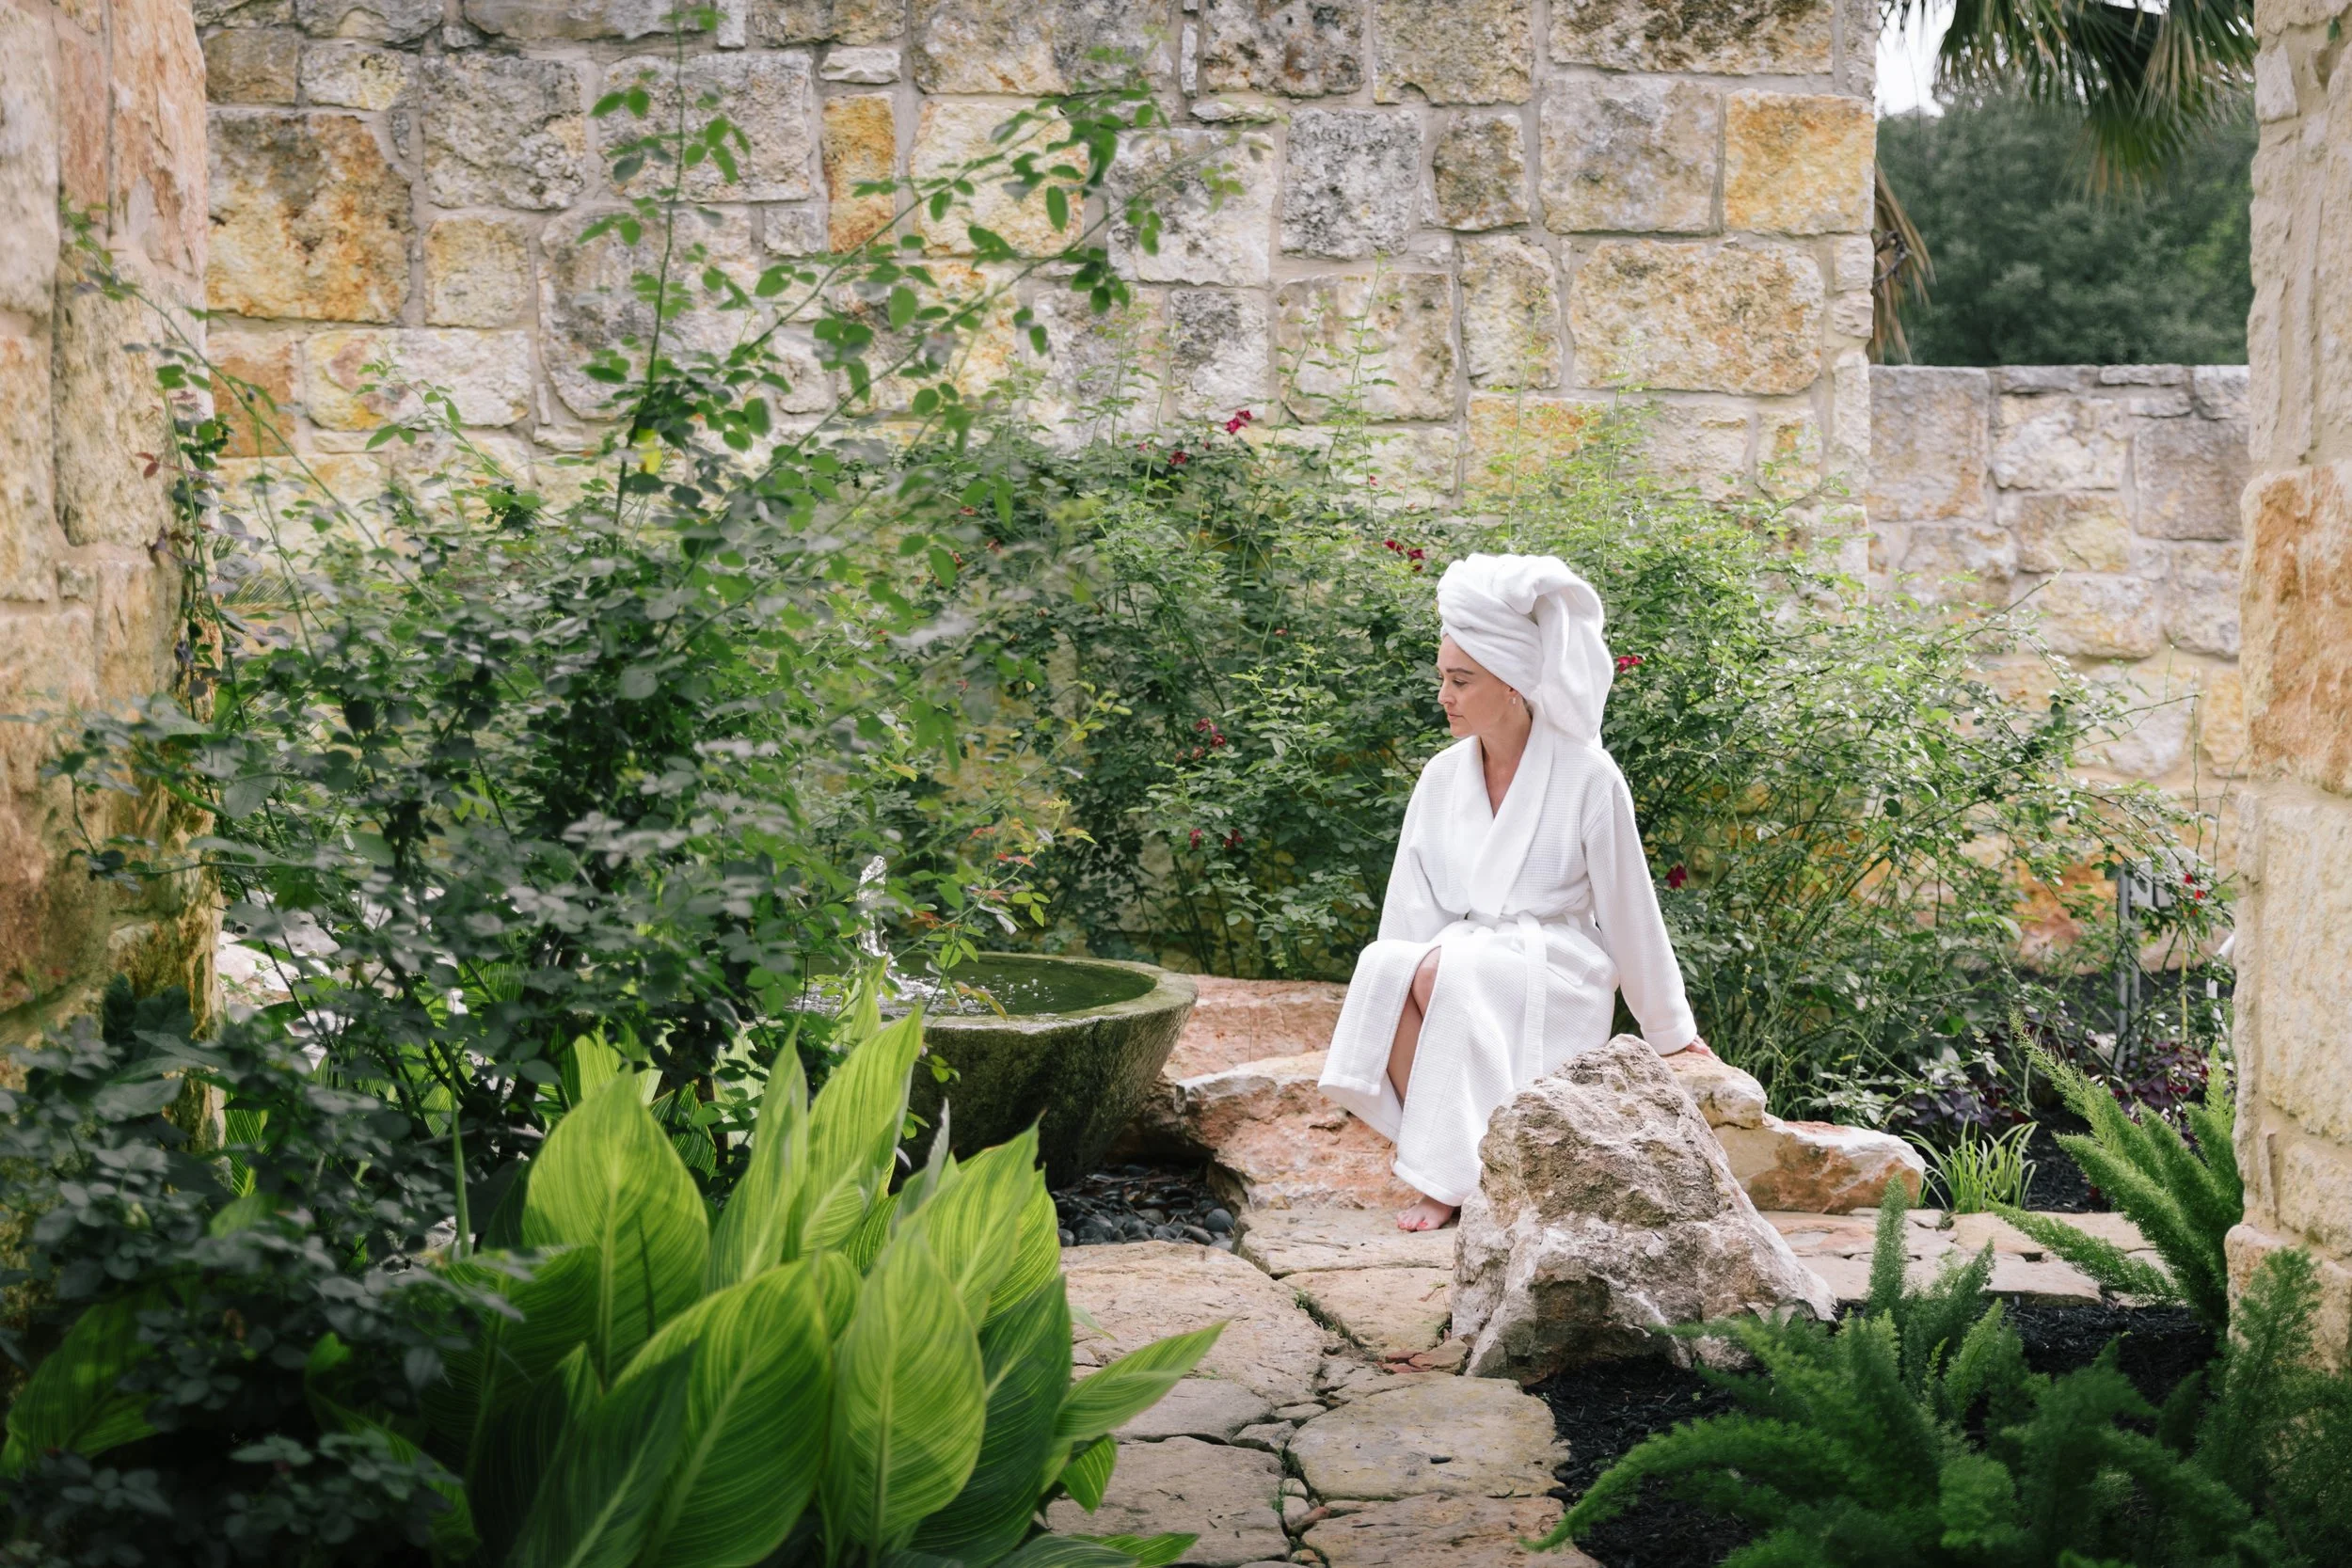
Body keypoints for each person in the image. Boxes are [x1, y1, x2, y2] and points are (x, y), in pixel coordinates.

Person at [1317, 553, 1715, 1232]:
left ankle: (1451, 1181)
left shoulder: (1589, 776)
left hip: (1558, 964)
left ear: (1513, 684)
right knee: (1385, 965)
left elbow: (1629, 907)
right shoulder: (1442, 778)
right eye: (1443, 676)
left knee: (1448, 966)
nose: (1444, 694)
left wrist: (1671, 1031)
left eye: (1461, 680)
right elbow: (1410, 908)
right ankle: (1457, 1162)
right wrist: (1400, 979)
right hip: (1469, 954)